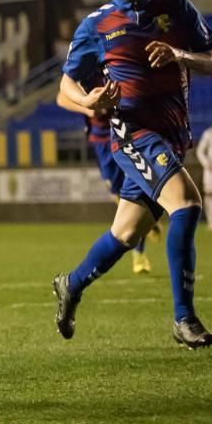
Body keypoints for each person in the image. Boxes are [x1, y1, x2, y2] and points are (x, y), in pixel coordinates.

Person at [52, 0, 212, 349]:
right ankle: (184, 320)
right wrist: (90, 102)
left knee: (125, 234)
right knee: (187, 203)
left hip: (172, 137)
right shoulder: (97, 25)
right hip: (134, 134)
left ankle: (70, 284)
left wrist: (179, 55)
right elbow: (64, 89)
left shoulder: (176, 9)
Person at [56, 77, 160, 275]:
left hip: (128, 137)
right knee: (118, 194)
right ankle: (146, 223)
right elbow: (61, 97)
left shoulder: (119, 60)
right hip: (102, 141)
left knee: (135, 194)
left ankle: (139, 255)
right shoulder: (87, 64)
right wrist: (88, 107)